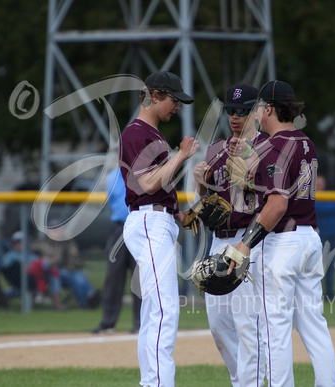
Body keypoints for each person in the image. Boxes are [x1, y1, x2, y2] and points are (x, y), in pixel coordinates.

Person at [232, 80, 335, 386]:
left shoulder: (276, 147)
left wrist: (244, 243)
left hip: (282, 242)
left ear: (268, 109)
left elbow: (277, 204)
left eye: (258, 109)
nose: (255, 115)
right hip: (309, 239)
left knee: (274, 329)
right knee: (314, 325)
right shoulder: (307, 142)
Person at [119, 70, 198, 387]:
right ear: (154, 96)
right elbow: (147, 182)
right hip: (149, 221)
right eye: (173, 100)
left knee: (157, 311)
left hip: (159, 220)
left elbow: (158, 187)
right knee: (164, 310)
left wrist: (180, 214)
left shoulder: (152, 135)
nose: (177, 107)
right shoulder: (137, 133)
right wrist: (181, 155)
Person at [192, 83, 268, 385]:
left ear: (257, 112)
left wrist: (248, 165)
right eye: (231, 111)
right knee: (219, 326)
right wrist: (201, 182)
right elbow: (207, 198)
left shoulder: (267, 147)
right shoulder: (216, 149)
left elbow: (269, 194)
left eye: (243, 110)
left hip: (248, 240)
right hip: (219, 240)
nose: (236, 116)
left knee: (248, 325)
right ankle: (243, 382)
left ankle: (255, 381)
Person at [91, 166, 141, 334]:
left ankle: (140, 323)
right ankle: (107, 323)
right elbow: (112, 202)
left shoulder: (142, 172)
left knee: (139, 278)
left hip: (139, 228)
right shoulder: (112, 176)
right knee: (113, 277)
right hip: (118, 228)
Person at [31, 226, 101, 309]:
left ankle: (91, 296)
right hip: (52, 272)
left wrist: (67, 242)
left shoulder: (68, 243)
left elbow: (75, 258)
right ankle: (86, 302)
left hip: (69, 269)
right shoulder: (42, 243)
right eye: (53, 230)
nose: (56, 233)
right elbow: (33, 252)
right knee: (73, 279)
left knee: (80, 277)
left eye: (58, 230)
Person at [315, 175, 335, 301]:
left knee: (330, 267)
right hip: (316, 237)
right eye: (317, 184)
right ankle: (315, 295)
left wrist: (326, 207)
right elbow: (318, 208)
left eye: (321, 183)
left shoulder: (331, 195)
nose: (319, 186)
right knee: (313, 268)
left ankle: (329, 293)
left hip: (331, 236)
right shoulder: (310, 197)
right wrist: (329, 207)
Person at [0, 231, 37, 296]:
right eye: (16, 243)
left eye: (21, 242)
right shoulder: (10, 255)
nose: (18, 244)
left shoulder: (31, 256)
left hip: (32, 278)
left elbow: (38, 263)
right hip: (17, 278)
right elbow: (5, 267)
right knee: (16, 265)